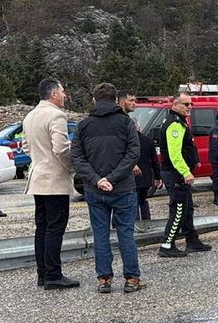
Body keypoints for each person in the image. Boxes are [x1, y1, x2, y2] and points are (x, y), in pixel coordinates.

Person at [72, 83, 143, 293]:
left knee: (100, 234)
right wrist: (113, 177)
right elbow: (133, 153)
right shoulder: (126, 122)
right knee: (126, 233)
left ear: (94, 100)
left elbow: (77, 157)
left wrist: (97, 180)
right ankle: (132, 278)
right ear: (116, 100)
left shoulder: (84, 125)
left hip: (95, 190)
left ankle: (104, 279)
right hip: (123, 187)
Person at [23, 78, 79, 289]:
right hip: (54, 178)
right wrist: (70, 167)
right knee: (55, 228)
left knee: (42, 227)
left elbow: (25, 146)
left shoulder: (30, 116)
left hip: (37, 177)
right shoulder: (56, 115)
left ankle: (43, 273)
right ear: (53, 94)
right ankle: (53, 274)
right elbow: (61, 149)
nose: (65, 95)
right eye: (62, 91)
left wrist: (39, 160)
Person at [157, 93, 212, 257]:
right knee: (179, 209)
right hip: (175, 174)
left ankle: (192, 240)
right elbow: (175, 153)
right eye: (185, 104)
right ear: (175, 105)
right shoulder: (175, 124)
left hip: (177, 173)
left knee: (187, 208)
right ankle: (167, 244)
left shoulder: (180, 122)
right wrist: (185, 172)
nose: (189, 107)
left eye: (191, 104)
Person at [133, 119, 161, 221]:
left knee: (134, 202)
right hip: (146, 177)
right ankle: (147, 222)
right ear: (139, 127)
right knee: (143, 200)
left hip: (132, 178)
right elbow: (155, 161)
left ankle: (136, 224)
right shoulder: (148, 141)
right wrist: (158, 177)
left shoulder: (126, 141)